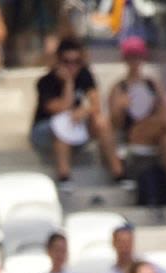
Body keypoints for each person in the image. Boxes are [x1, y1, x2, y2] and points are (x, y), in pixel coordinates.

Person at [30, 36, 122, 189]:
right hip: (45, 130)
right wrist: (68, 83)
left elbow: (96, 104)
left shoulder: (85, 75)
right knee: (62, 128)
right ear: (58, 61)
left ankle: (118, 172)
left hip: (75, 126)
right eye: (67, 62)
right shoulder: (45, 82)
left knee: (101, 121)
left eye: (76, 62)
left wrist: (83, 111)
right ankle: (64, 176)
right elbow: (60, 108)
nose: (72, 67)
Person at [107, 36, 166, 181]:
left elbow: (165, 109)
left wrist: (157, 104)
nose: (135, 61)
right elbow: (115, 125)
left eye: (138, 56)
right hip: (134, 131)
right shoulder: (119, 87)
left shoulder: (152, 83)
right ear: (125, 59)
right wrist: (120, 107)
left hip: (156, 129)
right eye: (131, 57)